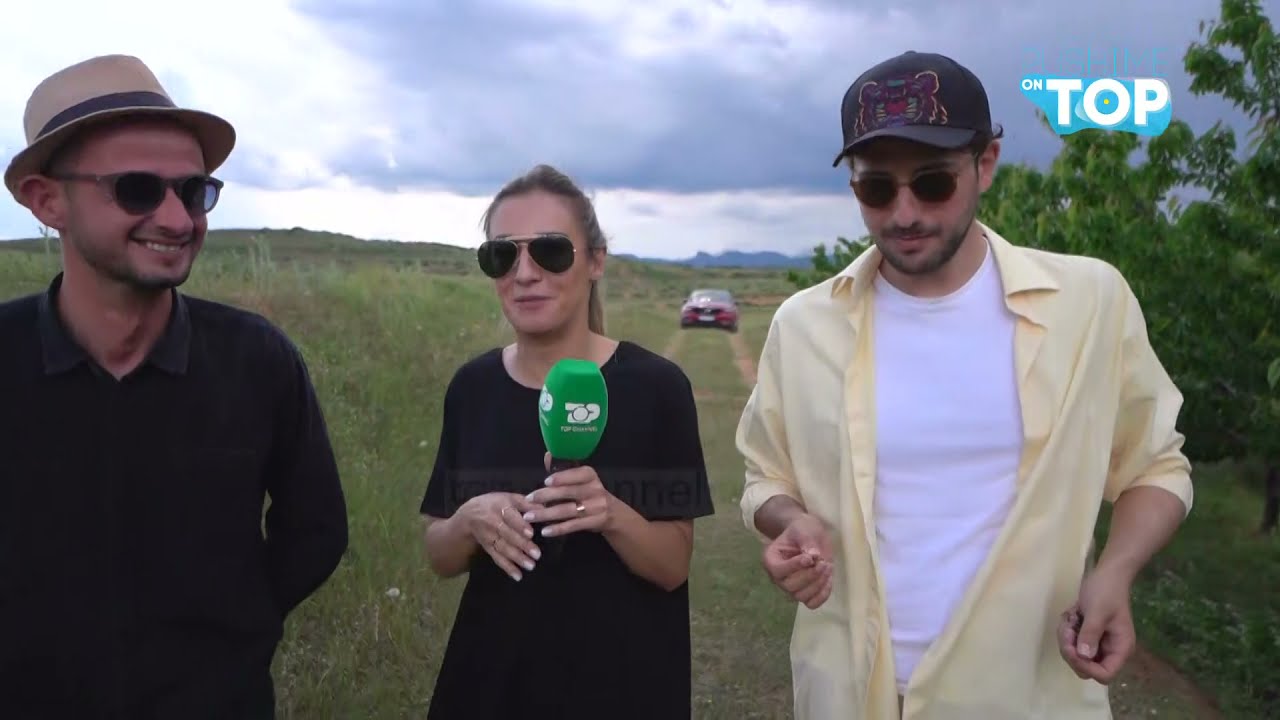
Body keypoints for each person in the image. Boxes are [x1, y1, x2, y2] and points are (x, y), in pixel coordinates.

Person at [735, 50, 1193, 719]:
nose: (904, 213)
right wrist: (790, 520)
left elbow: (1155, 465)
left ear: (986, 163)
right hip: (852, 694)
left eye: (932, 183)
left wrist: (1115, 572)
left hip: (1024, 695)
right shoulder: (804, 325)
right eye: (876, 189)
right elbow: (765, 476)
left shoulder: (1089, 304)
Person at [0, 54, 349, 718]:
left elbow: (316, 531)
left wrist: (232, 633)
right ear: (47, 201)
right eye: (136, 189)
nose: (178, 220)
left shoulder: (257, 360)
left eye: (193, 192)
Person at [419, 163, 715, 719]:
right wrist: (468, 521)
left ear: (595, 261)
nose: (524, 273)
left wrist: (610, 514)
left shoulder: (657, 388)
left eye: (550, 251)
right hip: (490, 687)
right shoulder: (472, 387)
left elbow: (673, 565)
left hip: (623, 689)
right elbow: (439, 554)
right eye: (502, 255)